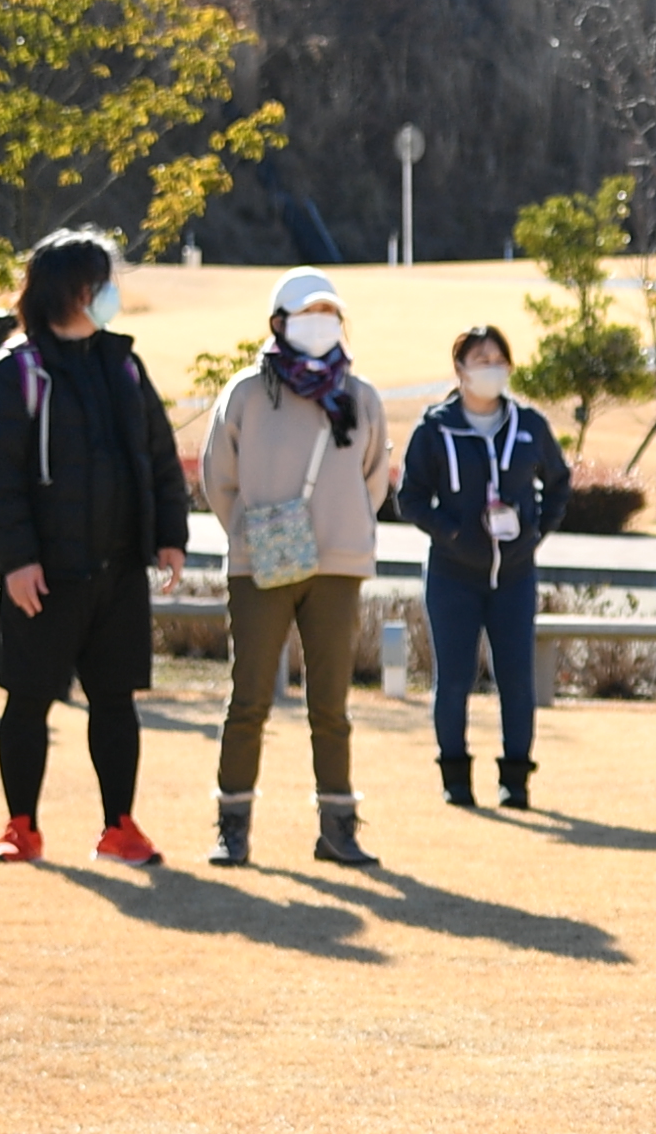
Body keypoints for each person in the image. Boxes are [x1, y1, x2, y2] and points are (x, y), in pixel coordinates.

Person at [0, 232, 189, 869]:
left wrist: (169, 536)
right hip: (44, 573)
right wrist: (16, 560)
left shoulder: (122, 363)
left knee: (115, 701)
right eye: (100, 283)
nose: (111, 294)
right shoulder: (14, 372)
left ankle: (120, 826)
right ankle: (21, 826)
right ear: (68, 291)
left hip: (118, 569)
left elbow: (157, 455)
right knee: (29, 699)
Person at [194, 269, 395, 871]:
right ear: (278, 321)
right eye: (308, 313)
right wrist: (259, 537)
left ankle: (338, 828)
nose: (321, 324)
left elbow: (375, 481)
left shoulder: (359, 397)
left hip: (338, 564)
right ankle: (233, 826)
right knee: (249, 696)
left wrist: (337, 530)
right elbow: (217, 477)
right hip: (260, 566)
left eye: (329, 314)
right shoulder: (247, 393)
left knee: (331, 704)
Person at [392, 324, 566, 810]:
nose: (490, 367)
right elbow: (409, 499)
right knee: (454, 677)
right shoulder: (435, 427)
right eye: (480, 359)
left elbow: (559, 484)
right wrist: (452, 532)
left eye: (497, 359)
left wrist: (532, 533)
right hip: (453, 574)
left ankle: (515, 779)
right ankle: (455, 776)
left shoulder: (529, 424)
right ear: (460, 369)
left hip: (514, 576)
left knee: (516, 678)